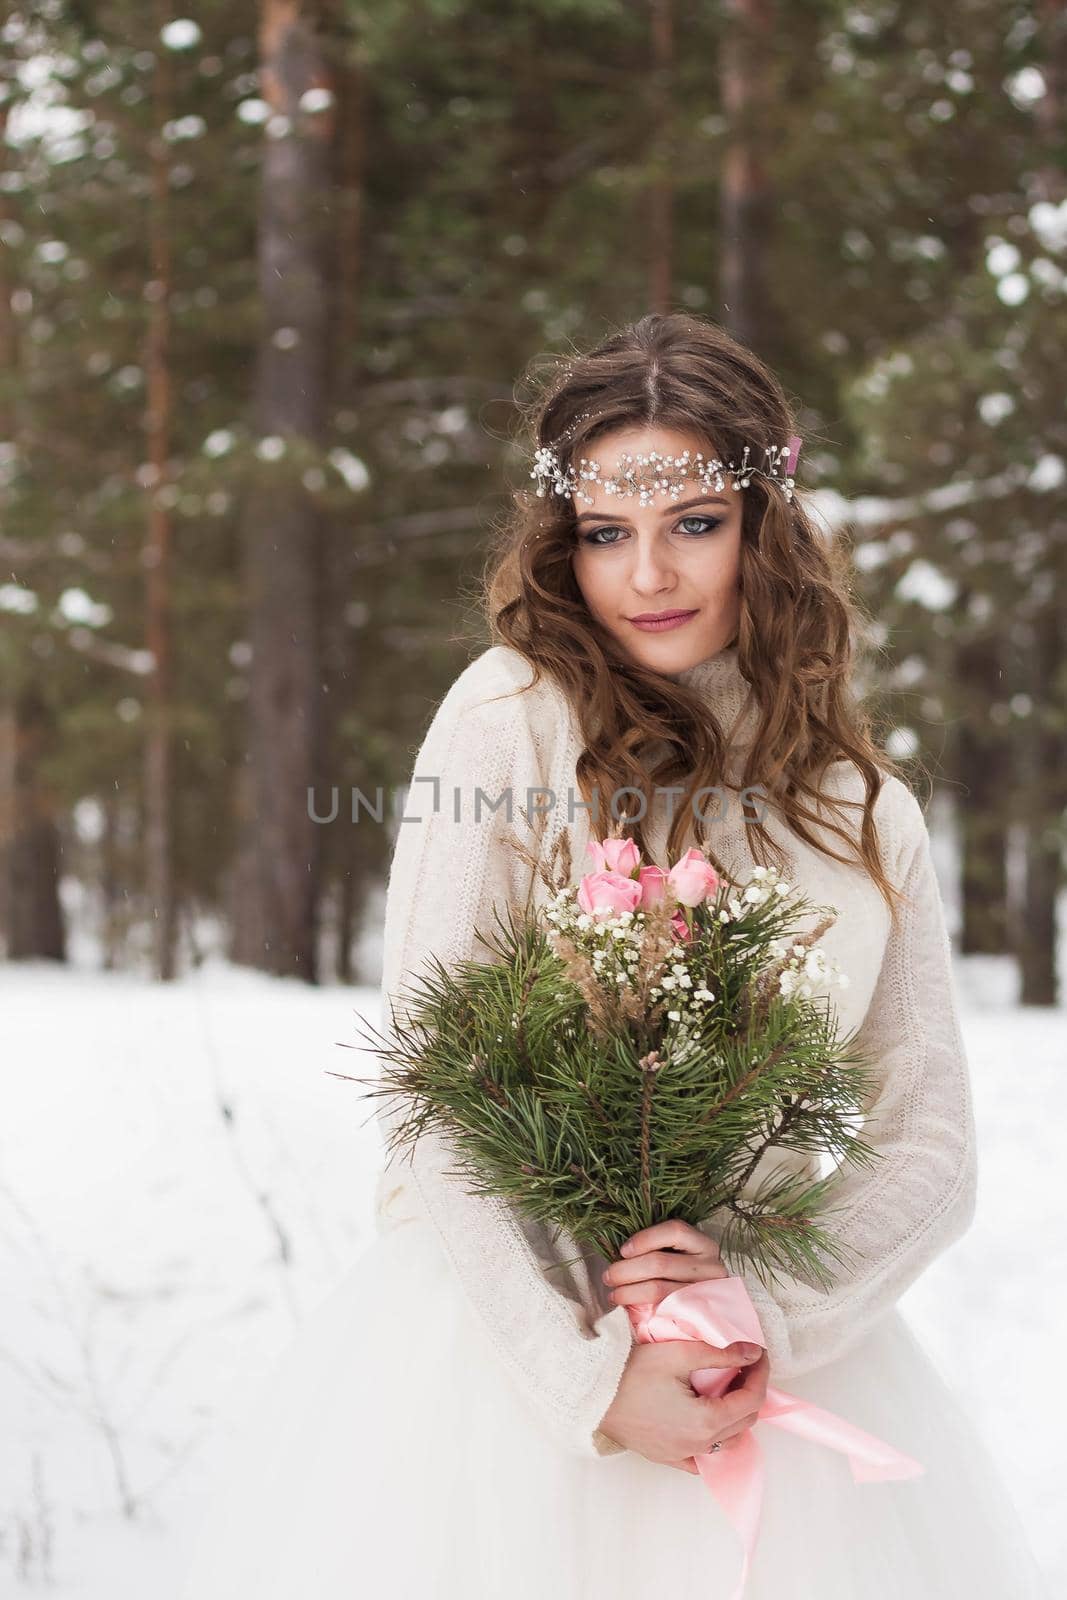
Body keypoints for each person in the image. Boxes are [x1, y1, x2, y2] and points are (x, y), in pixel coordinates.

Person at [176, 313, 1051, 1597]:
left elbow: (929, 1141)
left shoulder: (864, 812)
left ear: (765, 524)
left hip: (757, 1362)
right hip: (503, 1374)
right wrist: (590, 1379)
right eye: (604, 532)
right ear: (560, 540)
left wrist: (759, 1311)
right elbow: (435, 1101)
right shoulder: (506, 725)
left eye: (692, 521)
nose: (647, 572)